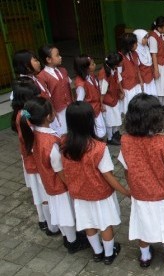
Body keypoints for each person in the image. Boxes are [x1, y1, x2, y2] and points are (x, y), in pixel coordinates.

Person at [118, 94, 164, 268]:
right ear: (157, 117)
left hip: (139, 193)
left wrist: (132, 185)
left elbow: (126, 169)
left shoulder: (125, 141)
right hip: (161, 194)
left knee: (142, 225)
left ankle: (145, 257)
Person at [61, 101, 129, 264]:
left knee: (88, 223)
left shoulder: (63, 143)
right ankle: (108, 254)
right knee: (105, 224)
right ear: (90, 121)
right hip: (100, 194)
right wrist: (126, 191)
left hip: (79, 193)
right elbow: (108, 176)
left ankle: (97, 252)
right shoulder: (99, 147)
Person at [19, 97, 89, 253]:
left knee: (60, 211)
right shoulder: (50, 142)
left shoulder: (34, 134)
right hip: (59, 184)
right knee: (66, 214)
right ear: (48, 117)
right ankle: (72, 242)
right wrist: (70, 185)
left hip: (48, 182)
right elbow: (59, 168)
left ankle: (68, 237)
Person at [11, 79, 58, 235]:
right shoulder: (25, 118)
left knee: (40, 193)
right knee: (42, 194)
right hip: (34, 162)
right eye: (35, 95)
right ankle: (48, 224)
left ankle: (45, 220)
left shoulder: (23, 113)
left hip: (33, 160)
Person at [37, 45, 74, 136]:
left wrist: (73, 102)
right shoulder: (42, 76)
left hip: (69, 107)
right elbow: (45, 97)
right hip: (56, 111)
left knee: (71, 129)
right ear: (48, 59)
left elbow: (69, 88)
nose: (60, 57)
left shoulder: (63, 70)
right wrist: (52, 112)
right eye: (57, 55)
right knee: (62, 133)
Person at [74, 55, 106, 139]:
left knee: (101, 129)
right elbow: (80, 102)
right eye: (92, 64)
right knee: (97, 131)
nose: (94, 65)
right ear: (85, 68)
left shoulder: (90, 76)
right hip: (91, 111)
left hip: (96, 108)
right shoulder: (81, 84)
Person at [98, 52, 124, 145]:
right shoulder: (104, 74)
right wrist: (101, 105)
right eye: (121, 61)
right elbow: (102, 92)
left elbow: (118, 80)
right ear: (116, 63)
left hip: (114, 97)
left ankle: (115, 134)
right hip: (107, 101)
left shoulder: (114, 69)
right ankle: (109, 138)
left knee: (116, 117)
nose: (122, 62)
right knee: (109, 121)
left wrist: (121, 91)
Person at [119, 33, 143, 114]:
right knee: (129, 108)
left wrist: (141, 81)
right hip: (127, 88)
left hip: (136, 84)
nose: (137, 44)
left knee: (138, 106)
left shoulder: (135, 54)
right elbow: (118, 76)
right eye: (135, 43)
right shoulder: (120, 57)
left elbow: (138, 68)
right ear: (129, 45)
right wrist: (121, 91)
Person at [133, 29, 157, 97]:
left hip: (150, 77)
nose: (147, 40)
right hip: (143, 79)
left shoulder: (146, 48)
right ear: (138, 38)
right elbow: (137, 68)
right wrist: (141, 81)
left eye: (147, 38)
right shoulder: (136, 51)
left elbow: (149, 63)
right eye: (144, 38)